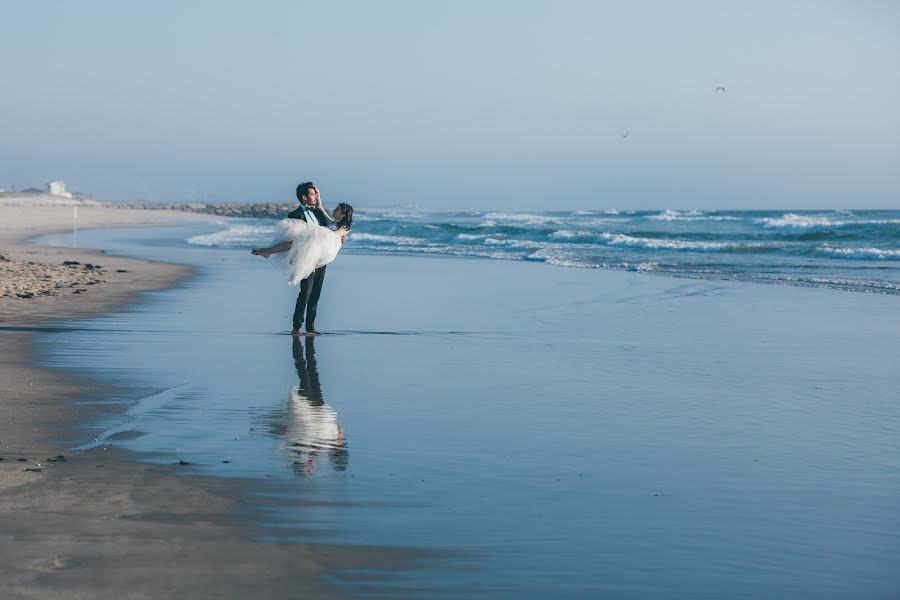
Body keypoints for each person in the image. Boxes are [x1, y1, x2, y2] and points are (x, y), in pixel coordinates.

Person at [251, 183, 353, 335]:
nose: (315, 196)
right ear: (304, 197)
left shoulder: (319, 214)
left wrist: (339, 237)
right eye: (313, 194)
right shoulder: (294, 215)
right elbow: (292, 239)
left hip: (320, 261)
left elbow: (330, 228)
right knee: (305, 293)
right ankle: (297, 327)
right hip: (305, 258)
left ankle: (311, 328)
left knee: (315, 294)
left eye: (315, 194)